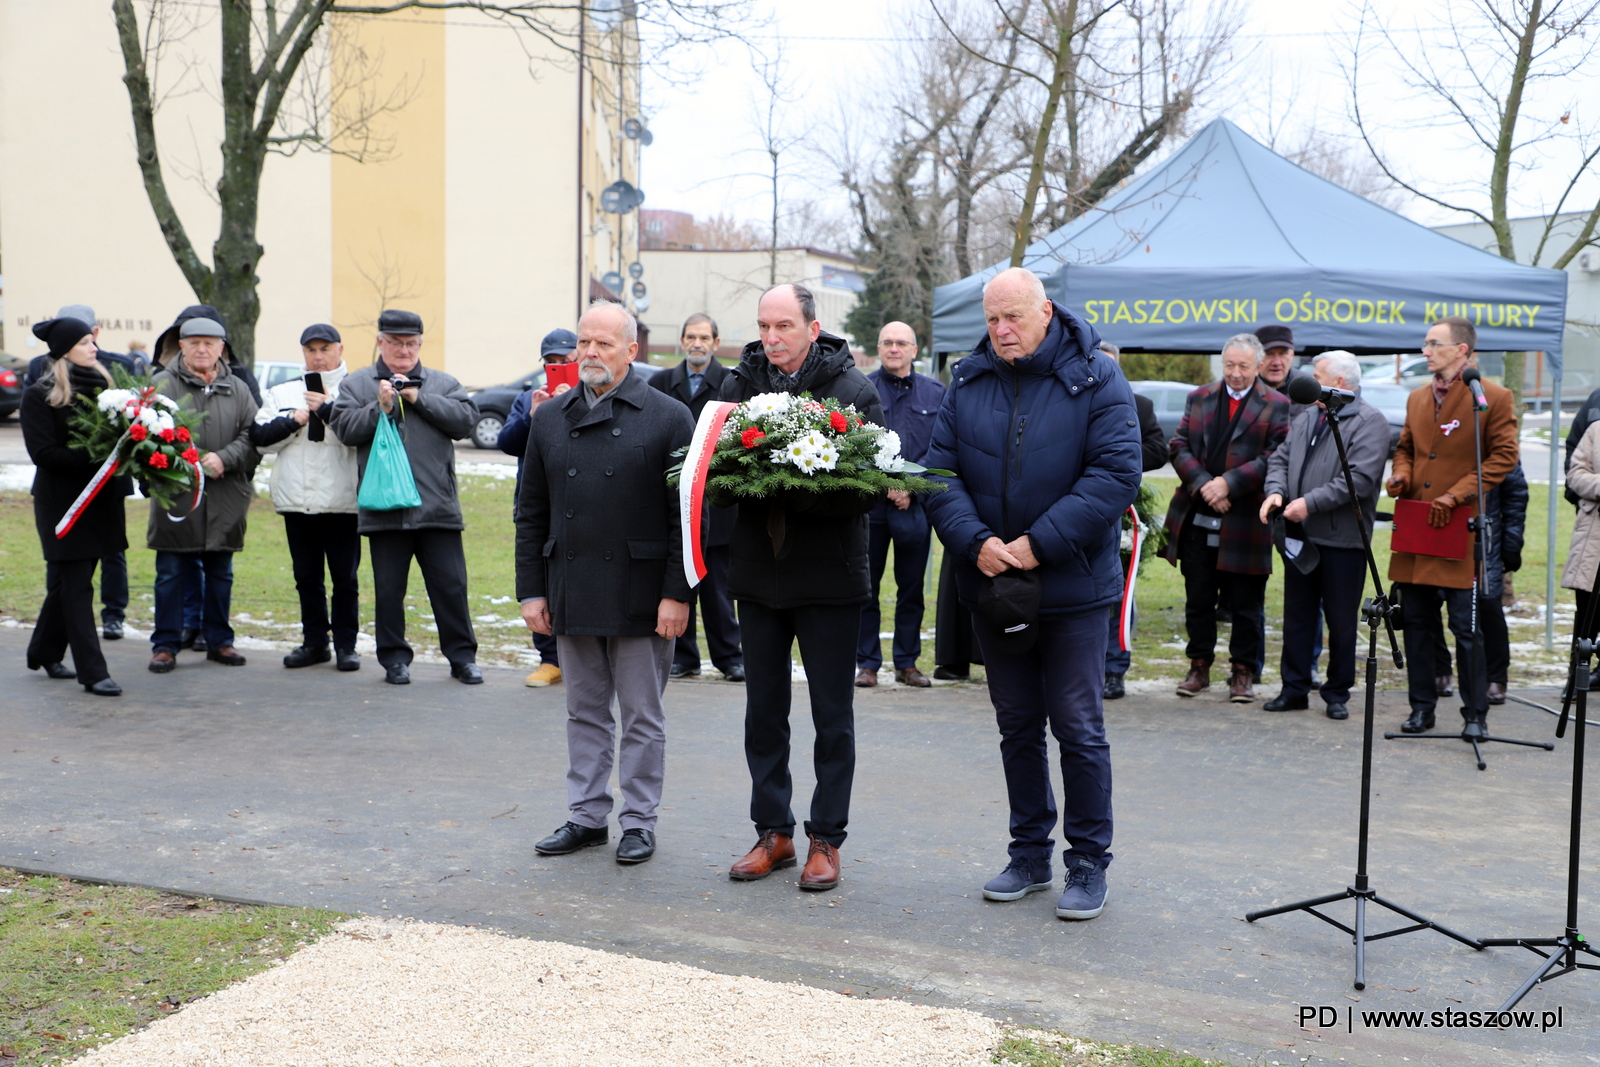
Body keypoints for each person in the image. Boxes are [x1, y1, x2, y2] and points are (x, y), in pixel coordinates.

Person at [924, 267, 1140, 921]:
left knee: (1077, 726)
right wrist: (977, 541)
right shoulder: (970, 381)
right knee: (1017, 723)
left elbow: (1115, 474)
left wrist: (1036, 543)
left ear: (1046, 311)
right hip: (994, 582)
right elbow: (939, 472)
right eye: (991, 319)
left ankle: (1087, 862)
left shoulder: (1097, 377)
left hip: (1072, 584)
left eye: (1013, 317)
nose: (1001, 330)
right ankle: (1028, 853)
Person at [516, 301, 695, 865]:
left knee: (643, 715)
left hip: (643, 593)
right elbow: (531, 511)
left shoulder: (668, 416)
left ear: (631, 351)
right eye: (583, 343)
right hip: (570, 583)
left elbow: (686, 517)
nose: (590, 353)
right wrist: (531, 590)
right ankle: (587, 816)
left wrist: (677, 593)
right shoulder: (550, 417)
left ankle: (639, 821)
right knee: (583, 710)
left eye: (604, 344)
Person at [719, 283, 885, 893]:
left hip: (829, 579)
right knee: (764, 712)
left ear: (813, 328)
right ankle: (775, 833)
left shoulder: (854, 391)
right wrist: (754, 479)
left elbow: (870, 486)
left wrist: (795, 484)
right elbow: (716, 471)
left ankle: (826, 839)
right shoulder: (739, 385)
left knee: (831, 716)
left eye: (783, 326)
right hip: (759, 578)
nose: (771, 338)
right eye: (764, 326)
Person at [327, 309, 483, 686]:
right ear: (380, 342)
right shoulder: (358, 384)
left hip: (438, 508)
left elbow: (466, 422)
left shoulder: (442, 383)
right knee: (389, 591)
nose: (403, 350)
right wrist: (378, 406)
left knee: (451, 588)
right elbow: (344, 429)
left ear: (421, 345)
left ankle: (462, 658)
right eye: (395, 343)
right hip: (385, 510)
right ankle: (394, 659)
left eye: (411, 344)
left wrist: (418, 398)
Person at [1386, 316, 1519, 739]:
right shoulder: (1417, 399)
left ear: (1461, 350)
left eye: (1433, 344)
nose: (1424, 351)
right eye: (1425, 344)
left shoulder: (1493, 397)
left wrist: (1457, 494)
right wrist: (1402, 476)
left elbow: (1503, 457)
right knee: (1418, 623)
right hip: (1417, 526)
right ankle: (1421, 708)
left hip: (1460, 527)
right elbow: (1405, 447)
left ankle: (1474, 715)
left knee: (1468, 628)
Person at [1258, 351, 1390, 720]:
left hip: (1343, 541)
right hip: (1300, 536)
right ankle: (1294, 688)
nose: (1309, 381)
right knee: (1297, 616)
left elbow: (1360, 481)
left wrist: (1308, 504)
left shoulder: (1370, 422)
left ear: (1341, 383)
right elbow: (1280, 459)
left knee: (1341, 620)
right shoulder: (1308, 414)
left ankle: (1337, 693)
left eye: (1317, 375)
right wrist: (1276, 492)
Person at [1163, 334, 1290, 702]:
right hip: (1199, 512)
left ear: (1259, 366)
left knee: (1247, 604)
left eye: (1244, 367)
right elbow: (1179, 445)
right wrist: (1205, 485)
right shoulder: (1199, 397)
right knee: (1198, 597)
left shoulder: (1277, 404)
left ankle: (1243, 672)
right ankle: (1199, 665)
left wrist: (1229, 485)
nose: (1235, 373)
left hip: (1247, 517)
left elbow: (1276, 454)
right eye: (1229, 365)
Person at [147, 317, 260, 672]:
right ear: (180, 345)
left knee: (221, 573)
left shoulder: (239, 388)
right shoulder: (161, 385)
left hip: (226, 496)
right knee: (170, 573)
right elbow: (144, 436)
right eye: (193, 342)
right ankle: (165, 644)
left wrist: (225, 458)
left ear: (222, 348)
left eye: (209, 343)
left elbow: (253, 435)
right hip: (176, 497)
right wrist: (189, 461)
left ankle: (219, 641)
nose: (202, 349)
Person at [20, 317, 125, 695]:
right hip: (62, 504)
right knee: (78, 585)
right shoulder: (41, 394)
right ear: (64, 350)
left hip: (99, 501)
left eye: (92, 340)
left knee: (69, 581)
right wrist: (95, 456)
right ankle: (94, 672)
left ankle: (44, 651)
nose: (93, 346)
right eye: (83, 342)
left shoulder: (109, 389)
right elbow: (43, 454)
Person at [251, 324, 362, 671]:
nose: (317, 356)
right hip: (297, 500)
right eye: (310, 350)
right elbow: (260, 440)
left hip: (343, 500)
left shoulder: (356, 390)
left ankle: (346, 646)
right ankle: (315, 643)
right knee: (306, 578)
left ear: (340, 350)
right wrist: (293, 420)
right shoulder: (282, 392)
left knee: (345, 579)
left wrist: (329, 407)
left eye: (324, 349)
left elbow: (359, 435)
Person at [648, 313, 744, 682]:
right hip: (673, 502)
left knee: (719, 589)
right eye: (690, 336)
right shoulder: (659, 383)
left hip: (718, 504)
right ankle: (682, 656)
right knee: (678, 579)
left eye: (704, 337)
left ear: (716, 343)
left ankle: (729, 657)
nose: (697, 343)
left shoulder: (731, 385)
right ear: (682, 341)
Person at [855, 321, 945, 690]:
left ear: (914, 349)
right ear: (879, 348)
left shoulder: (935, 394)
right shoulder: (861, 390)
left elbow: (940, 447)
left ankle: (907, 663)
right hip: (870, 507)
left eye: (901, 343)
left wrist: (910, 488)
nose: (894, 348)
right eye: (888, 342)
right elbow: (853, 444)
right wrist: (886, 486)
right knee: (866, 588)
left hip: (914, 507)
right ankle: (868, 663)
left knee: (912, 590)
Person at [499, 328, 579, 688]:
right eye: (552, 362)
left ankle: (583, 656)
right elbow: (508, 443)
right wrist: (535, 415)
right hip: (536, 505)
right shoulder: (529, 398)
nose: (559, 367)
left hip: (579, 505)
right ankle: (550, 658)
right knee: (540, 582)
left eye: (566, 360)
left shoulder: (591, 397)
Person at [1097, 340, 1168, 700]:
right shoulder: (1069, 402)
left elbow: (1159, 448)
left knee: (1118, 594)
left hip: (1125, 511)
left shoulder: (1139, 405)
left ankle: (1114, 670)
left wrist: (1119, 457)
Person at [1480, 462, 1528, 704]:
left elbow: (1516, 497)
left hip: (1487, 537)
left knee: (1488, 604)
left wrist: (1511, 545)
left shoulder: (1495, 433)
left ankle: (1496, 676)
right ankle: (1440, 670)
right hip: (1440, 524)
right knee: (1427, 600)